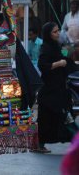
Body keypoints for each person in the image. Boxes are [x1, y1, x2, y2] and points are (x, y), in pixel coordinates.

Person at [35, 22, 77, 153]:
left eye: (58, 30)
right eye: (55, 31)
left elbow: (65, 59)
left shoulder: (57, 46)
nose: (58, 33)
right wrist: (59, 63)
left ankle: (75, 142)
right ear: (48, 34)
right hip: (50, 92)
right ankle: (40, 144)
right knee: (48, 119)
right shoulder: (45, 48)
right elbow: (43, 65)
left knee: (64, 117)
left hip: (59, 90)